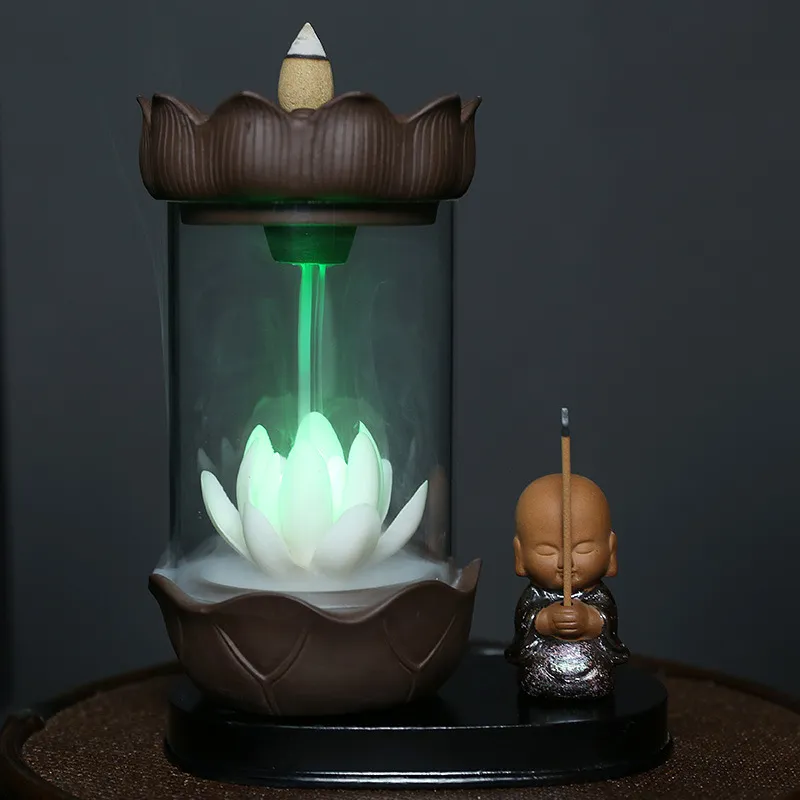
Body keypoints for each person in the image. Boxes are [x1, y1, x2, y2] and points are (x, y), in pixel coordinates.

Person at [506, 473, 629, 699]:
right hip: (543, 666)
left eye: (583, 549)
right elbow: (523, 627)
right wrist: (544, 620)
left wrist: (590, 620)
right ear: (519, 555)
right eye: (547, 551)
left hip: (592, 666)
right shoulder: (535, 595)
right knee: (535, 675)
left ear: (611, 551)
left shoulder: (598, 595)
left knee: (598, 676)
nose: (566, 563)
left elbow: (609, 625)